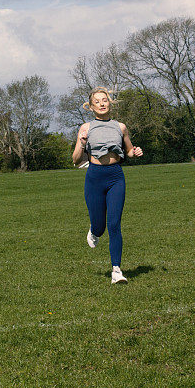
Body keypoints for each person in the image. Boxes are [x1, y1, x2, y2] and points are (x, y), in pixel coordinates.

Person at [72, 88, 143, 284]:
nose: (102, 104)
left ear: (110, 104)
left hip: (115, 177)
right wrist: (81, 143)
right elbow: (76, 160)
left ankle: (116, 270)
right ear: (91, 107)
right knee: (100, 226)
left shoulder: (120, 127)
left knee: (114, 224)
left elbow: (128, 151)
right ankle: (94, 230)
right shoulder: (86, 128)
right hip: (94, 178)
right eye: (98, 101)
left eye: (105, 100)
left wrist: (134, 152)